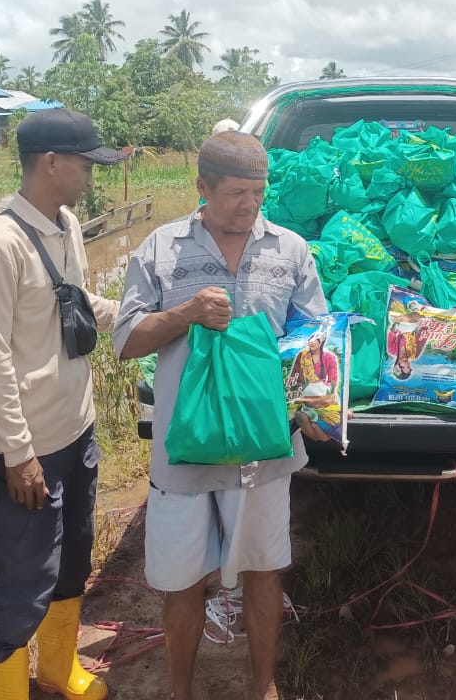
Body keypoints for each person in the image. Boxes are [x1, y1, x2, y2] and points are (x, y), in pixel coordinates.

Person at [113, 131, 330, 700]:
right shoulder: (160, 249)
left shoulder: (290, 249)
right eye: (236, 193)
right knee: (181, 584)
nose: (250, 205)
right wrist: (185, 313)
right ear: (202, 188)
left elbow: (314, 337)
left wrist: (314, 400)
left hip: (264, 450)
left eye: (258, 192)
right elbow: (126, 341)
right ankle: (181, 692)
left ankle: (263, 688)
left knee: (263, 572)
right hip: (183, 453)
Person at [0, 109, 124, 699]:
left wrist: (142, 317)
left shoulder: (68, 225)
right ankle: (7, 688)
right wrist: (17, 454)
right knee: (21, 579)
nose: (89, 176)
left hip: (75, 432)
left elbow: (79, 304)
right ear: (52, 163)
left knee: (71, 562)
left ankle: (59, 670)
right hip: (28, 450)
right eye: (84, 165)